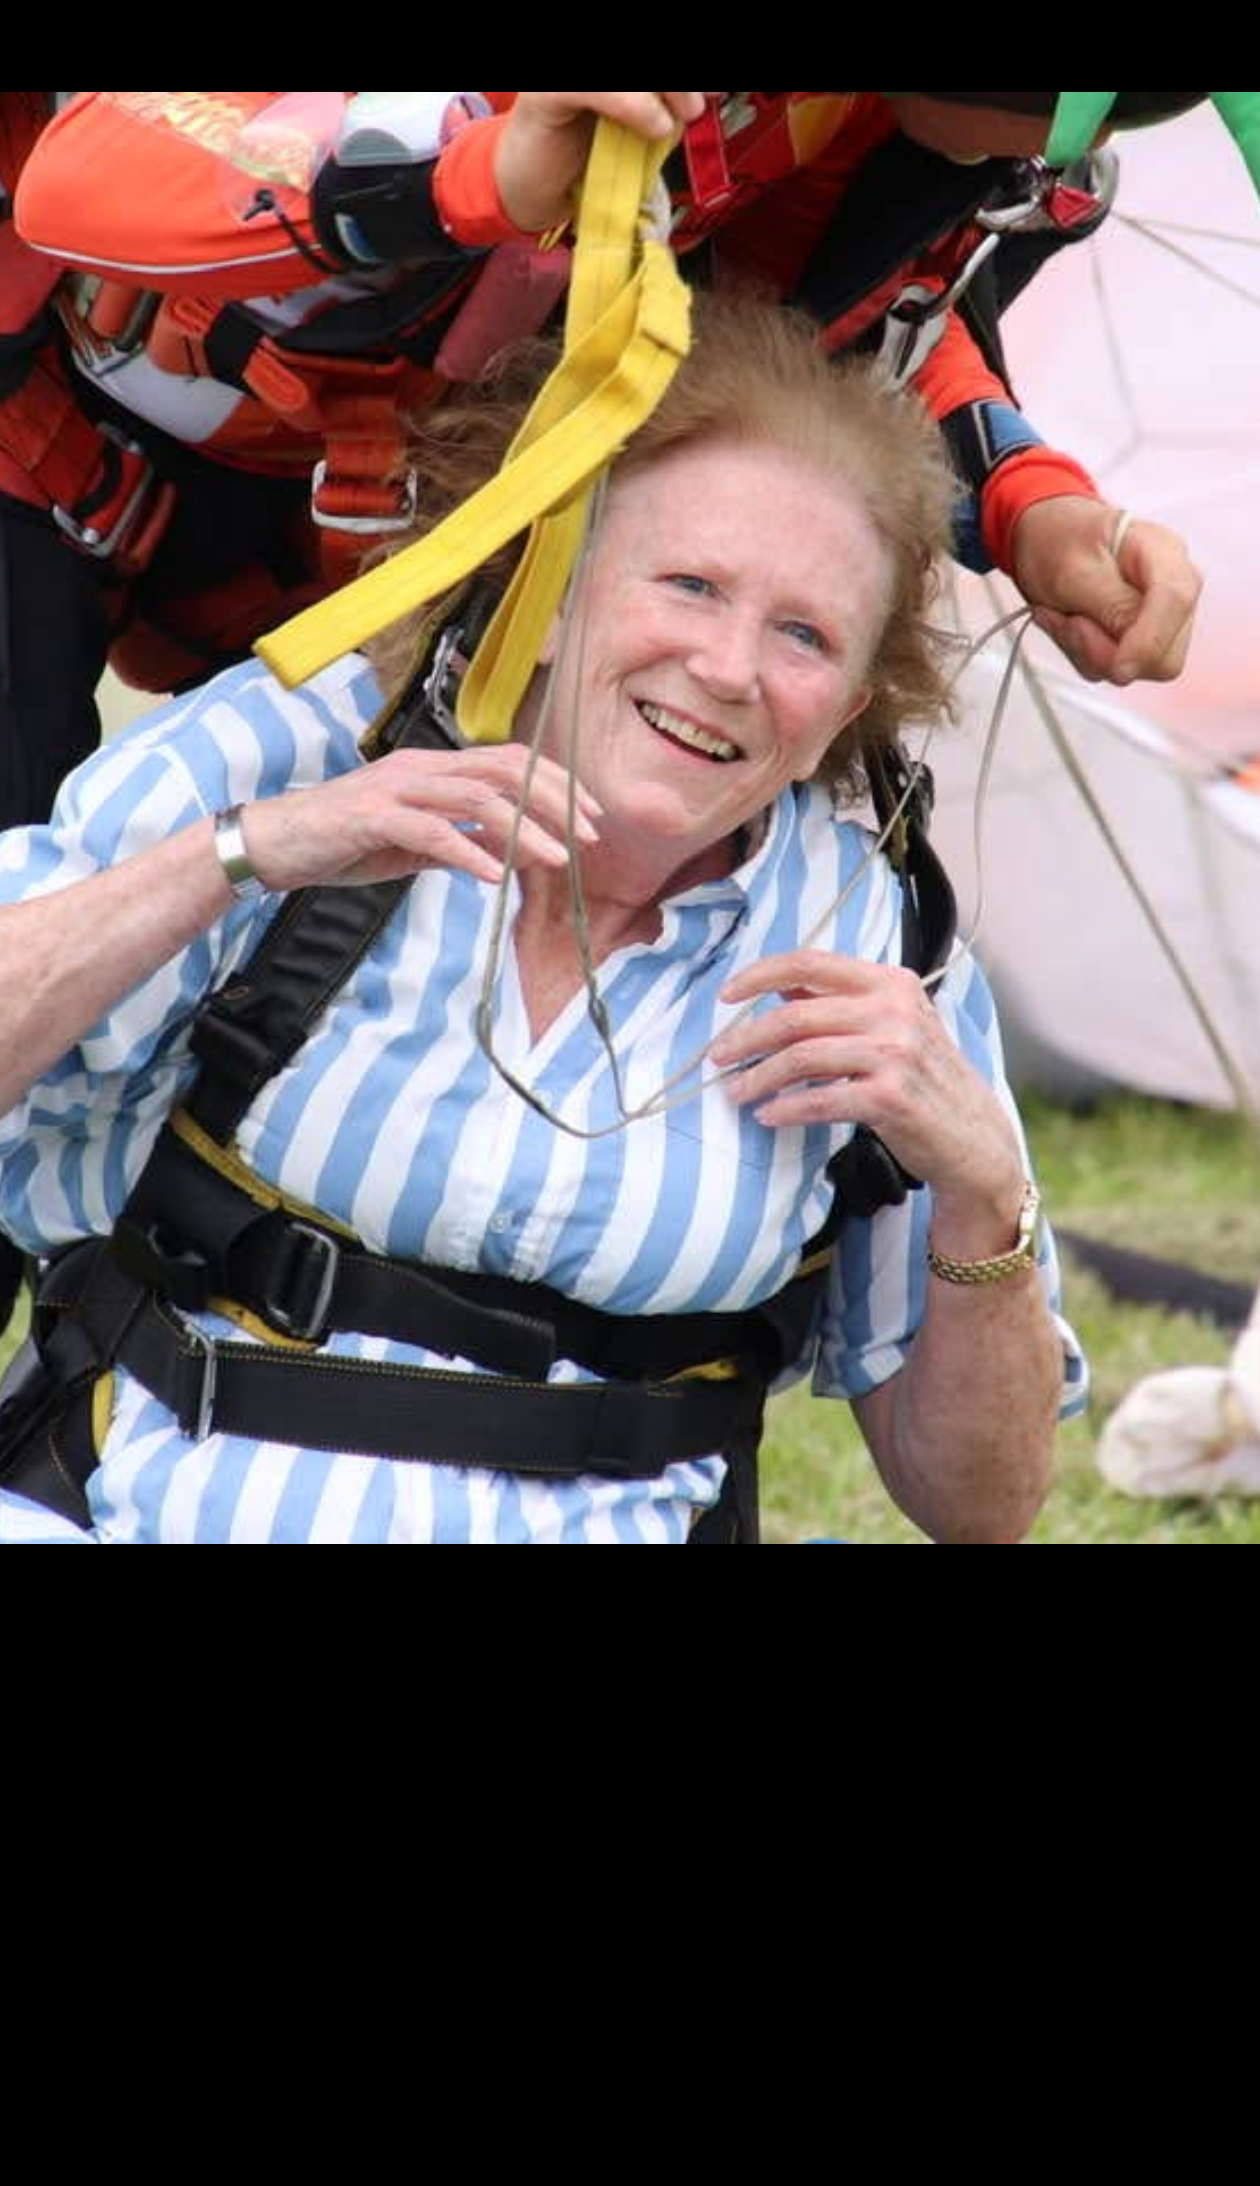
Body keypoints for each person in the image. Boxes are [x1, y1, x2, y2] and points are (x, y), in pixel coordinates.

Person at [0, 292, 1084, 1545]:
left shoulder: (880, 952)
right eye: (688, 584)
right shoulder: (301, 746)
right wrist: (254, 853)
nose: (729, 669)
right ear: (551, 584)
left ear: (843, 711)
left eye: (803, 635)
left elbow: (980, 1510)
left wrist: (982, 1189)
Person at [5, 89, 1207, 837]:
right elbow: (88, 167)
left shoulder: (908, 135)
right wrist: (475, 166)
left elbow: (814, 324)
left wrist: (1024, 504)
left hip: (390, 558)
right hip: (44, 453)